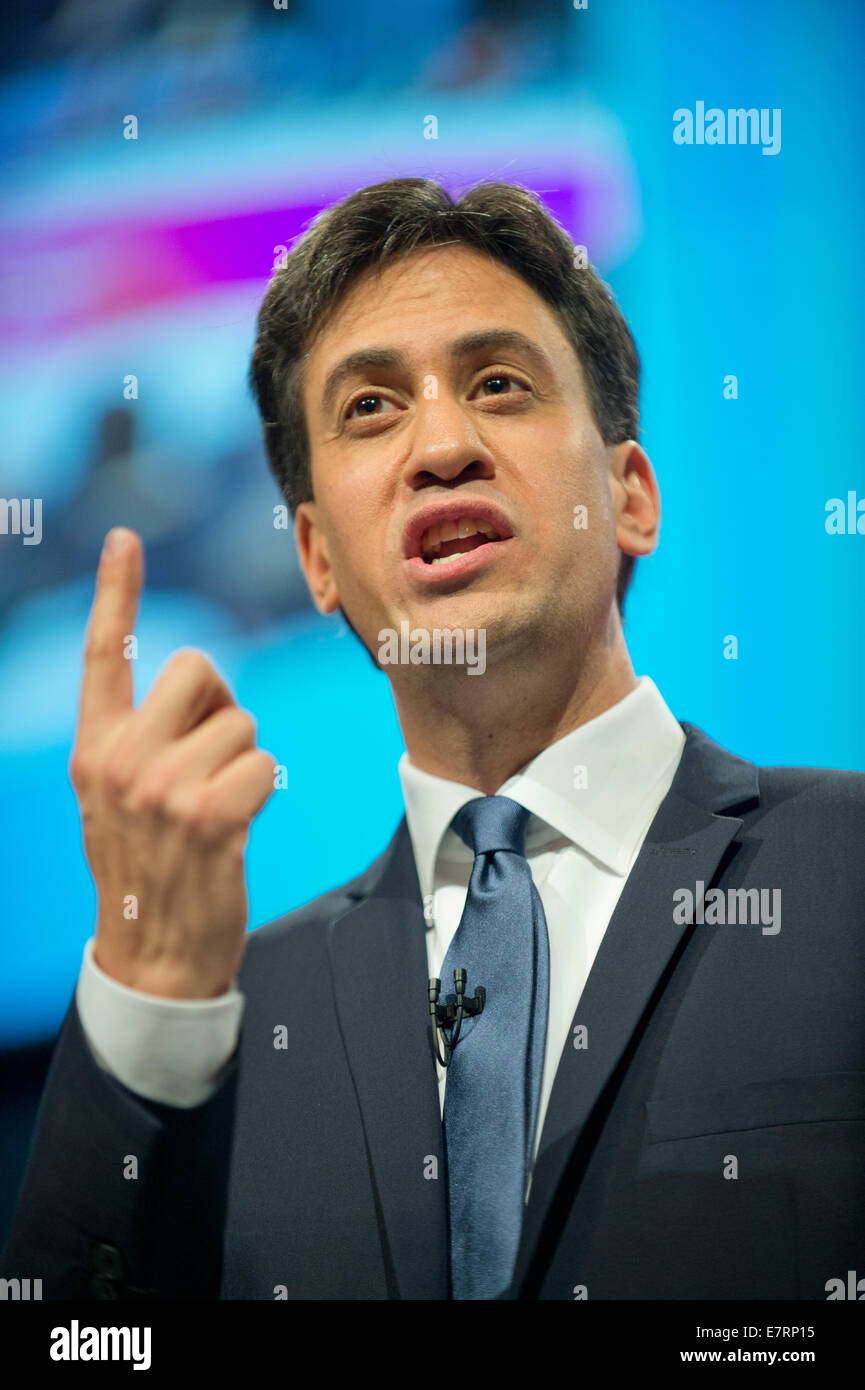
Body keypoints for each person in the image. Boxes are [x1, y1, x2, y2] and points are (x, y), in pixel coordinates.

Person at [3, 179, 864, 1301]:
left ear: (630, 496)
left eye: (499, 384)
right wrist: (142, 995)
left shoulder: (844, 871)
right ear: (315, 559)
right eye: (367, 410)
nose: (442, 445)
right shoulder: (228, 1025)